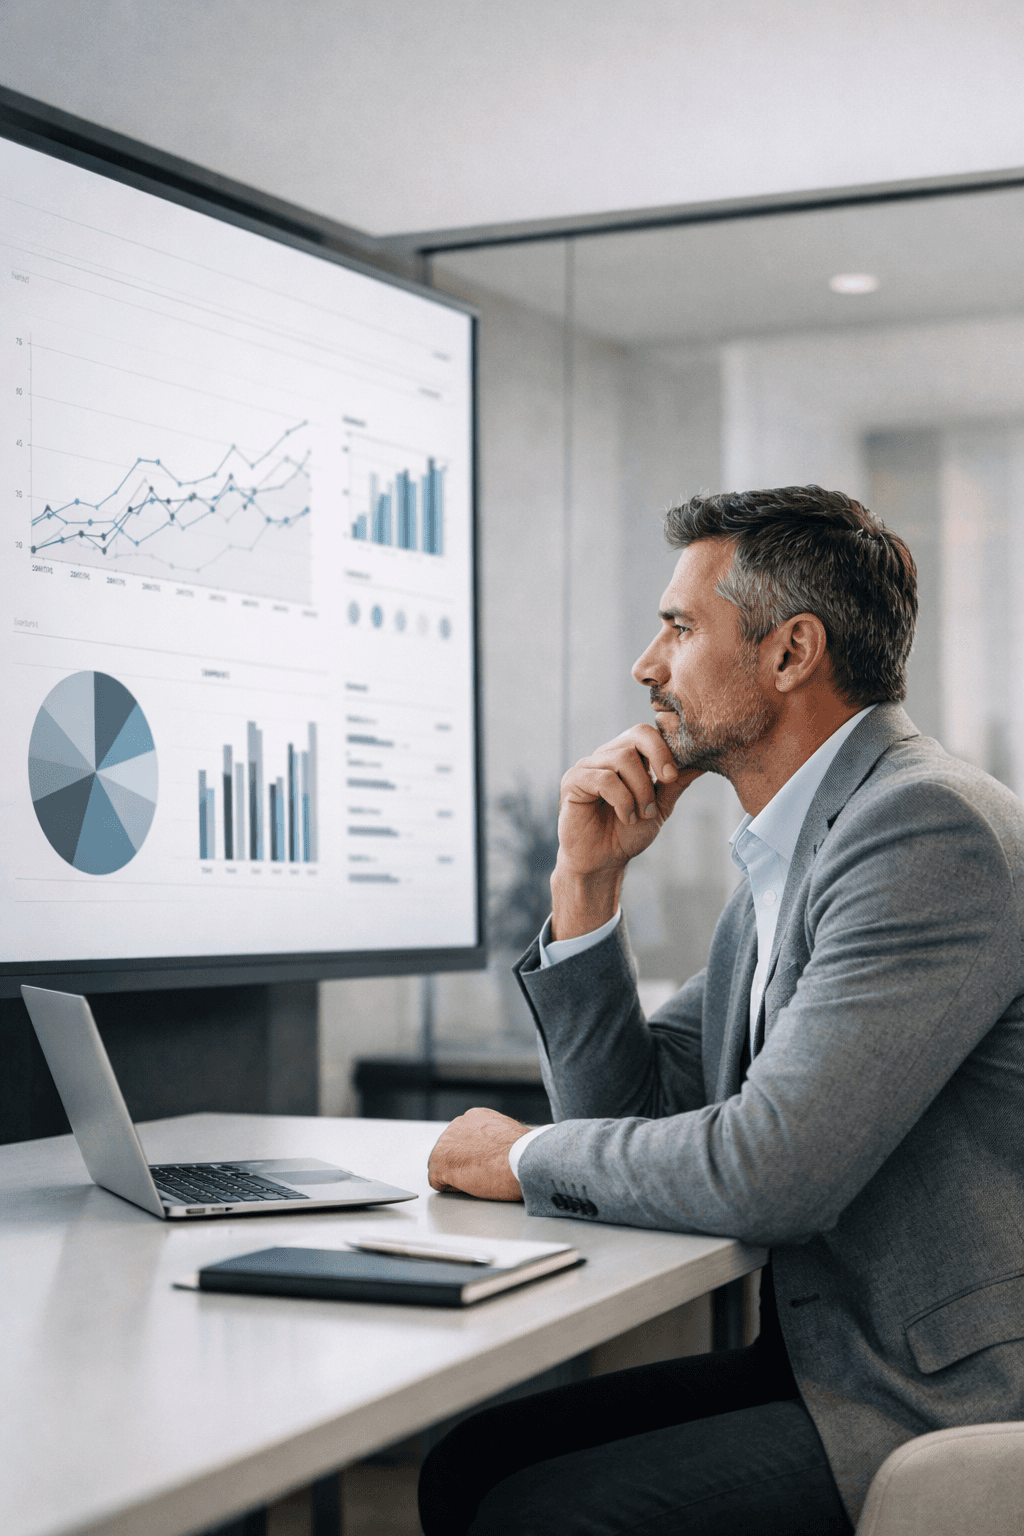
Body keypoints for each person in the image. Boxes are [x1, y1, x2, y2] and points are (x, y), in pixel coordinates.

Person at [419, 486, 1024, 1536]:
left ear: (790, 654)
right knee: (474, 1459)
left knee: (539, 1512)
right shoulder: (799, 853)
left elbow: (770, 1171)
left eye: (680, 627)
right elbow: (638, 1108)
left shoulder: (923, 828)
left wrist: (524, 1159)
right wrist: (586, 889)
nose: (647, 665)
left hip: (939, 1397)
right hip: (834, 1357)